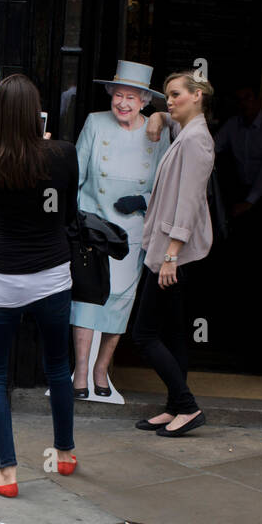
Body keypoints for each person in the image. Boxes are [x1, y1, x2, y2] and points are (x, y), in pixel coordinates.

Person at [0, 74, 77, 497]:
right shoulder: (63, 155)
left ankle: (7, 474)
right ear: (36, 114)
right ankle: (64, 454)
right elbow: (68, 211)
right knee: (57, 366)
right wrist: (44, 152)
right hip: (53, 274)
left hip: (6, 277)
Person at [70, 61, 170, 400]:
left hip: (130, 231)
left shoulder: (160, 132)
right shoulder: (96, 123)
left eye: (131, 97)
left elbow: (166, 184)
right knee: (86, 299)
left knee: (119, 301)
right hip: (93, 226)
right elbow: (76, 172)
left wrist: (142, 199)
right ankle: (80, 371)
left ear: (144, 100)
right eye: (118, 95)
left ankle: (102, 368)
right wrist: (71, 219)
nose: (123, 103)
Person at [132, 71, 216, 437]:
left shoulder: (197, 141)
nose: (169, 100)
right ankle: (172, 407)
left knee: (144, 334)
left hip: (173, 254)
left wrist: (171, 255)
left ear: (197, 96)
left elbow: (191, 199)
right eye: (166, 95)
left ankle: (186, 406)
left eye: (175, 94)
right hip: (171, 251)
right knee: (173, 333)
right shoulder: (187, 132)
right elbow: (169, 119)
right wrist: (158, 115)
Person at [213, 85, 262, 220]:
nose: (243, 103)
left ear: (258, 101)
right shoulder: (233, 124)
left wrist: (249, 202)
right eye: (239, 100)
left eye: (247, 98)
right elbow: (212, 147)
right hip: (243, 187)